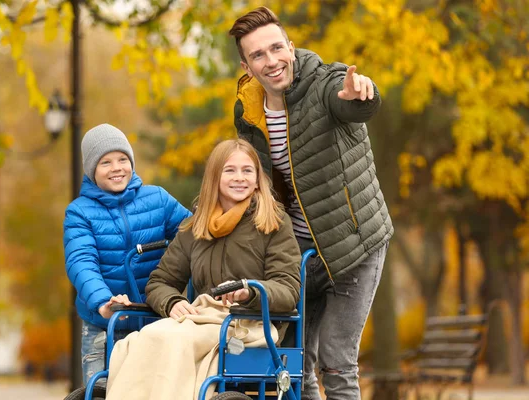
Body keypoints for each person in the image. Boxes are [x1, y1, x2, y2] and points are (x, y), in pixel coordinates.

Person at [229, 7, 393, 400]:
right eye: (258, 55)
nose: (271, 61)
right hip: (301, 254)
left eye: (275, 48)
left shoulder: (323, 82)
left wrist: (359, 94)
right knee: (294, 363)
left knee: (336, 361)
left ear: (291, 46)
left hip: (354, 246)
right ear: (247, 66)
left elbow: (351, 102)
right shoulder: (249, 110)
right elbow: (258, 183)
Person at [104, 139, 301, 399]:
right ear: (214, 177)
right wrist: (172, 302)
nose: (239, 178)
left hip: (250, 324)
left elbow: (288, 289)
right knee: (142, 339)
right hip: (201, 318)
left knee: (175, 341)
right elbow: (159, 282)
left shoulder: (273, 223)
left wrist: (250, 292)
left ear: (257, 179)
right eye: (229, 170)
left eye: (247, 170)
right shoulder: (196, 227)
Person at [63, 123, 191, 385]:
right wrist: (103, 301)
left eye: (122, 159)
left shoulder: (157, 199)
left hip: (154, 319)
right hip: (105, 322)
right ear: (91, 170)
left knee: (153, 388)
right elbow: (81, 262)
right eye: (105, 162)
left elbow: (193, 233)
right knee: (102, 388)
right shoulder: (79, 212)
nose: (117, 168)